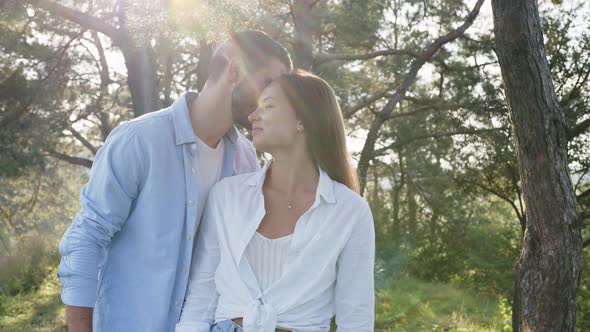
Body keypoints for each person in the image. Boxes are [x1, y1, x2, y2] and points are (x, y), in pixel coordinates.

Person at [56, 30, 293, 332]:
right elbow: (86, 240)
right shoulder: (140, 141)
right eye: (266, 83)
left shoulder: (246, 160)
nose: (274, 98)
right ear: (234, 69)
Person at [176, 70, 375, 332]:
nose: (252, 116)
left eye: (268, 106)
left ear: (302, 119)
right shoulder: (226, 196)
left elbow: (356, 315)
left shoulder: (350, 210)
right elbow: (202, 293)